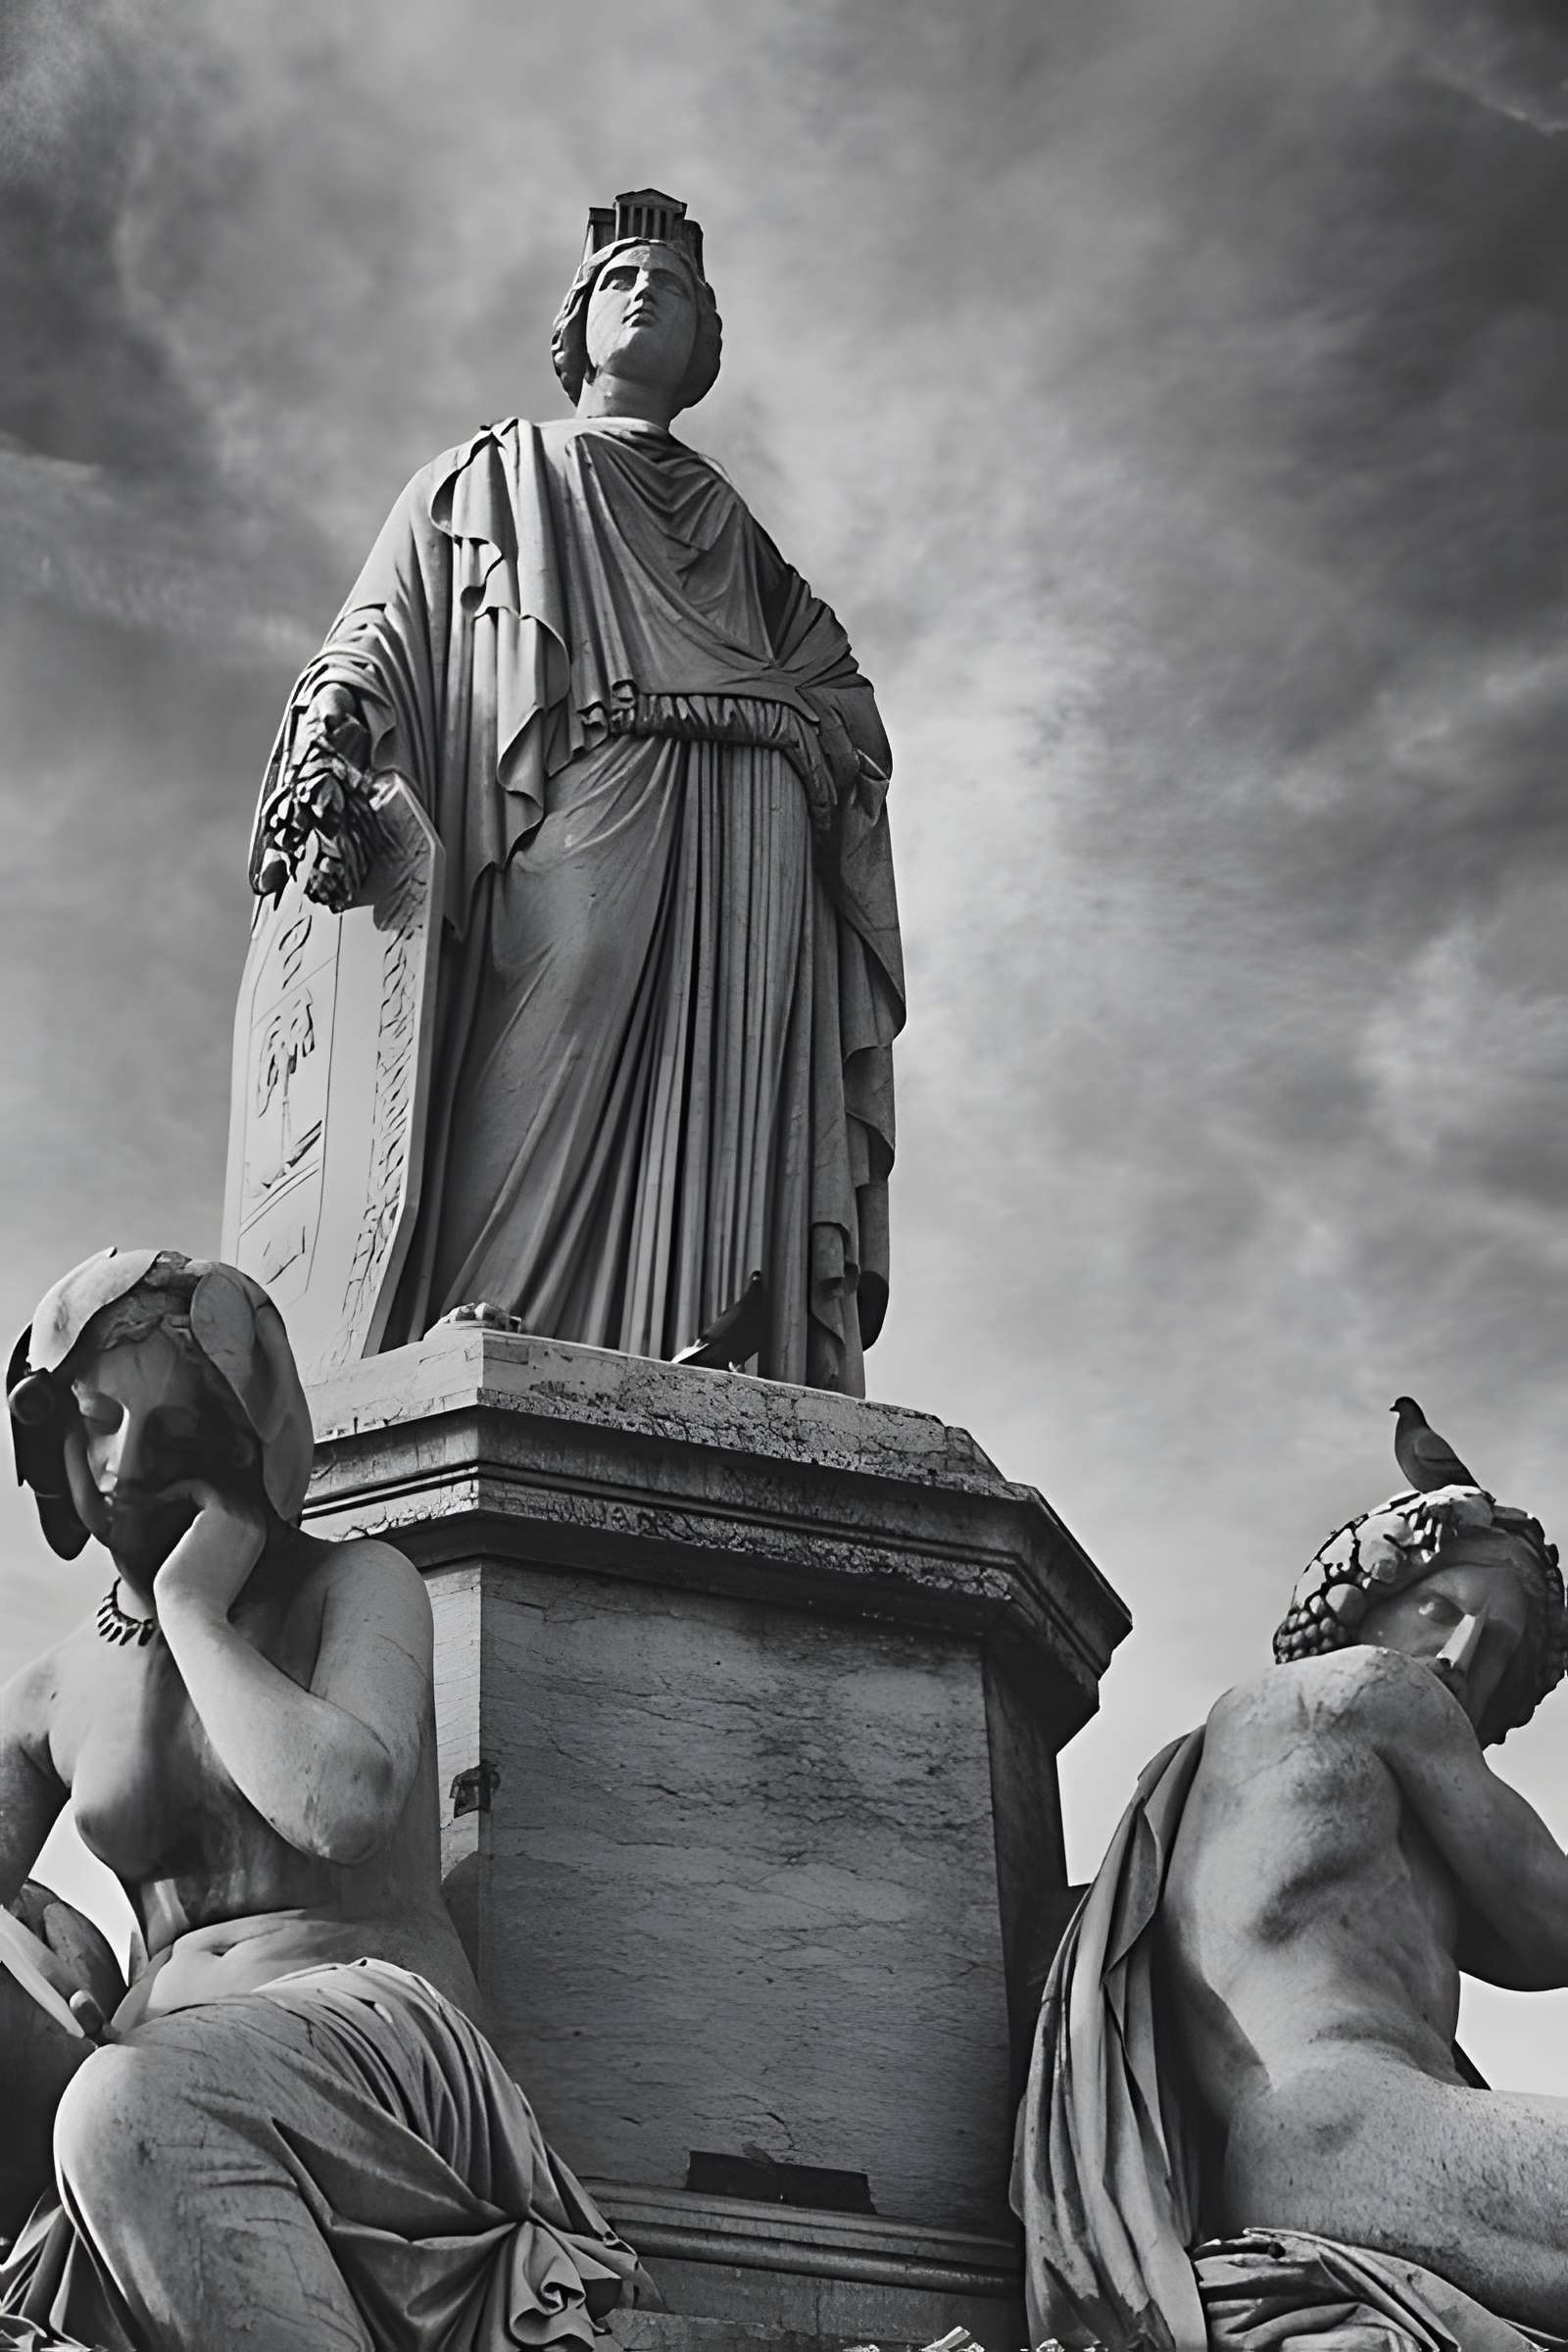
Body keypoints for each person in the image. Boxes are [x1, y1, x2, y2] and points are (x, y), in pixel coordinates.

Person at [247, 188, 904, 1394]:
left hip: (749, 819)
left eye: (676, 289)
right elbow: (382, 623)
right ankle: (494, 1319)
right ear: (575, 327)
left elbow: (844, 694)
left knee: (727, 1097)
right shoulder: (491, 475)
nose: (646, 293)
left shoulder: (730, 524)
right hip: (588, 790)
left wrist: (803, 742)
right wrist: (336, 720)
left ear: (704, 346)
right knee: (556, 1005)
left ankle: (714, 1333)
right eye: (620, 280)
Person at [0, 1246, 639, 2352]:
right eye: (100, 1419)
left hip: (373, 2052)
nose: (127, 1464)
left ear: (251, 1443)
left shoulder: (357, 1583)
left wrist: (194, 1607)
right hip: (149, 2070)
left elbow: (342, 1809)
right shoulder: (52, 1689)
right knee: (117, 2099)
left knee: (127, 2107)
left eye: (178, 1430)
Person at [1012, 1454, 1568, 2352]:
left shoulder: (1282, 1765)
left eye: (1498, 1646)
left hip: (1310, 2146)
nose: (1462, 1657)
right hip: (1360, 2125)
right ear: (1366, 1599)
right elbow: (1553, 1924)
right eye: (1441, 1611)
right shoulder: (1372, 1689)